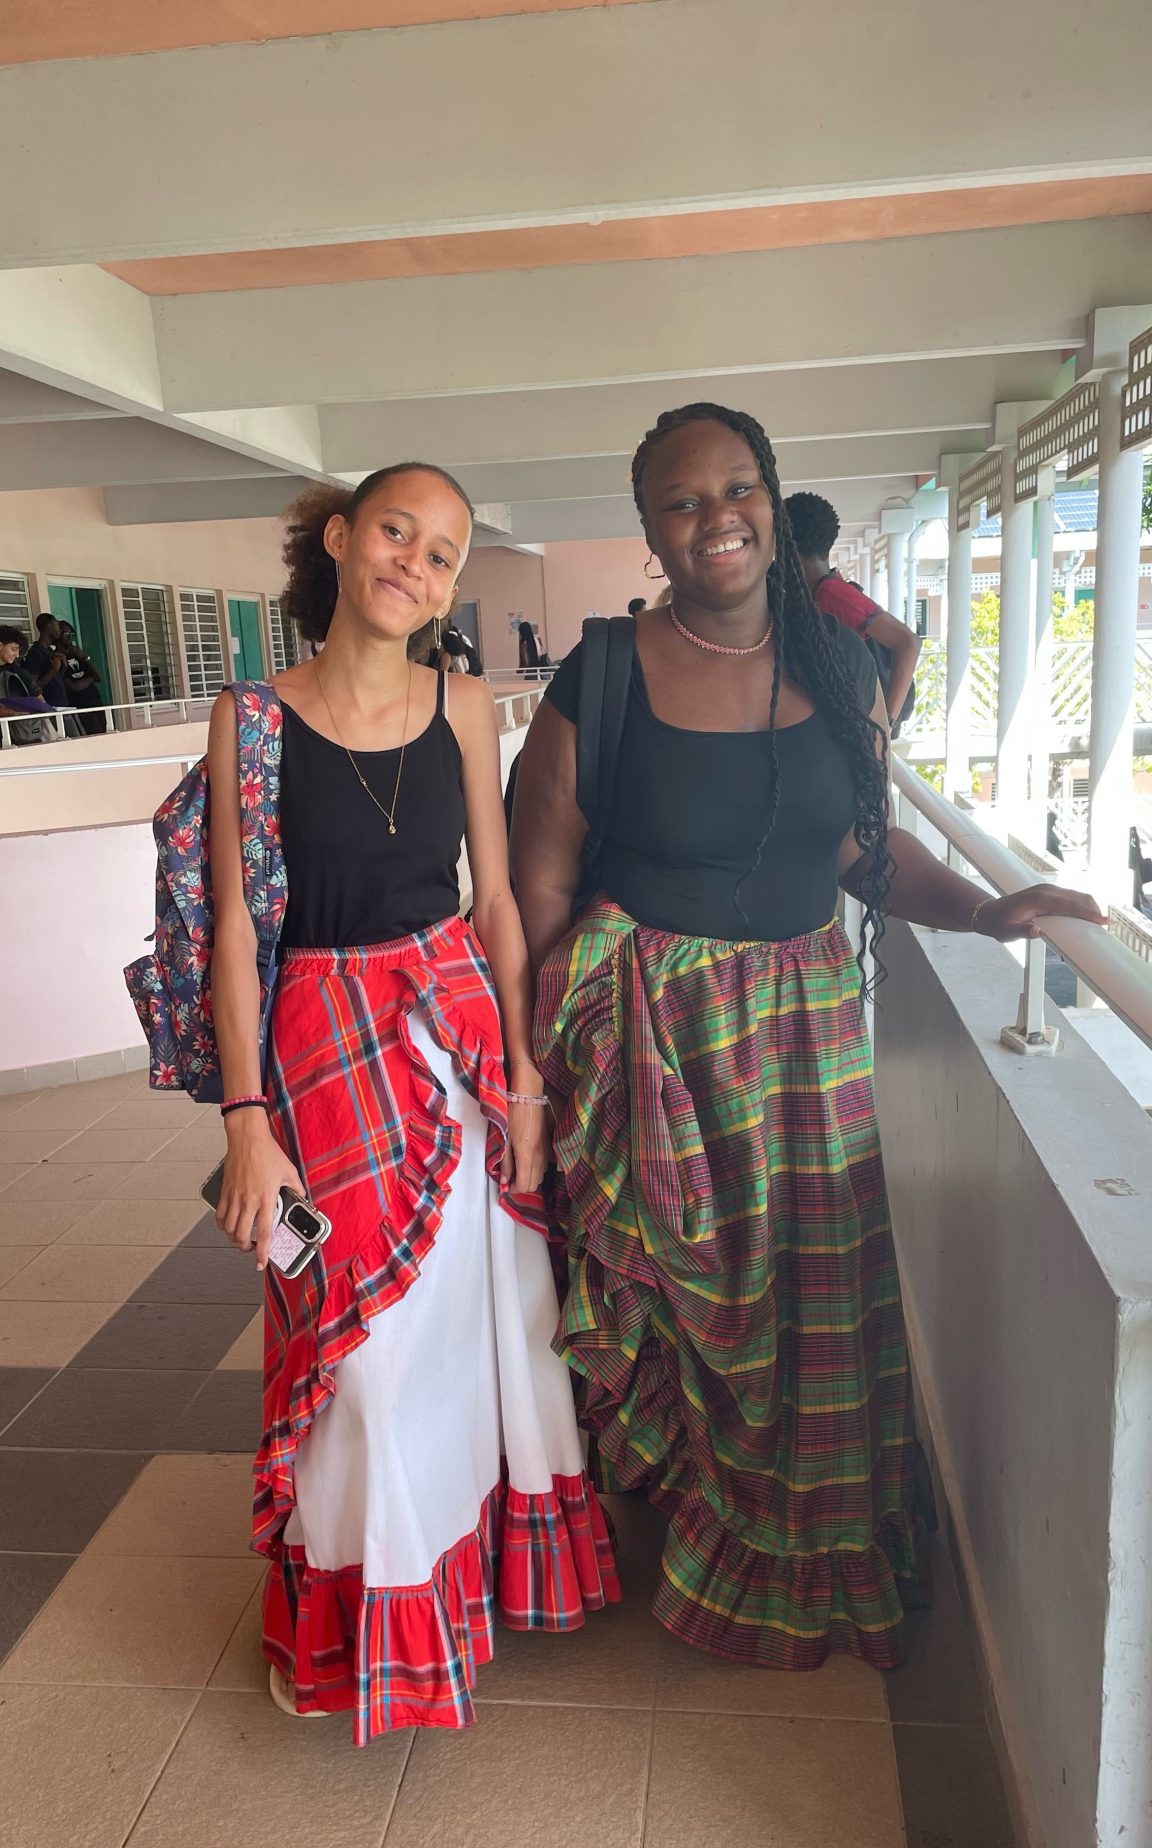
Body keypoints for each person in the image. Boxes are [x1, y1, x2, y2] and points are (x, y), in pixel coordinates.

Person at [511, 399, 1102, 1677]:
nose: (715, 517)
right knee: (681, 1290)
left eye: (737, 489)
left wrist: (988, 909)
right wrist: (538, 1070)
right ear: (652, 531)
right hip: (652, 1033)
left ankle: (806, 1536)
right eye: (682, 501)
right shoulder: (602, 673)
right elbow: (540, 879)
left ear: (774, 503)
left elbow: (856, 850)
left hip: (806, 1029)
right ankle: (695, 1514)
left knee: (813, 1289)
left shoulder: (837, 664)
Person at [206, 462, 617, 1743]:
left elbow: (492, 899)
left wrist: (526, 1078)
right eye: (397, 531)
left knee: (483, 1328)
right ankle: (355, 1613)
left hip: (458, 1042)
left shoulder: (466, 703)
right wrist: (245, 1120)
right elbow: (236, 928)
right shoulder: (249, 719)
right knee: (360, 1351)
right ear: (338, 538)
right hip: (319, 1045)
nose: (415, 564)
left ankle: (465, 1578)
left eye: (442, 554)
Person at [785, 491, 922, 726]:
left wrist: (886, 724)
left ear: (786, 545)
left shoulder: (832, 594)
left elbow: (908, 642)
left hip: (864, 717)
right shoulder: (819, 592)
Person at [0, 628, 55, 745]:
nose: (16, 655)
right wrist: (14, 713)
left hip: (23, 732)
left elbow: (38, 696)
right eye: (13, 649)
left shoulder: (19, 672)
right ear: (0, 645)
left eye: (18, 650)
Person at [57, 620, 108, 735]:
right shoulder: (58, 658)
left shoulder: (78, 654)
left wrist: (84, 657)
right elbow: (72, 687)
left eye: (71, 633)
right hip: (79, 706)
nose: (69, 637)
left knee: (102, 734)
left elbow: (98, 677)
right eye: (65, 633)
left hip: (95, 702)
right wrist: (91, 679)